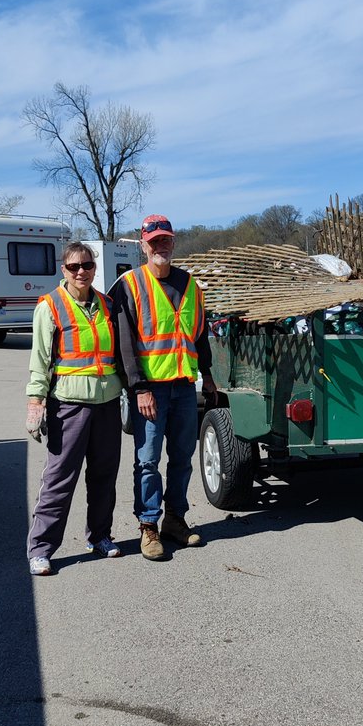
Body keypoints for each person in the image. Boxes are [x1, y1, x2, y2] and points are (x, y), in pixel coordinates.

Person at [112, 214, 217, 561]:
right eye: (154, 241)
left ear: (173, 243)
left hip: (184, 386)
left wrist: (208, 374)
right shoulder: (130, 284)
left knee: (182, 458)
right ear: (143, 245)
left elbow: (199, 334)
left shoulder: (190, 285)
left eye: (166, 240)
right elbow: (125, 344)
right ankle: (148, 526)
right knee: (147, 461)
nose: (161, 246)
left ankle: (175, 519)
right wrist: (139, 387)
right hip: (150, 390)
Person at [25, 242, 122, 576]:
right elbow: (40, 359)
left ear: (94, 267)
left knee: (104, 476)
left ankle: (100, 536)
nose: (81, 272)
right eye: (74, 266)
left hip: (107, 403)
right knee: (59, 478)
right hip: (68, 404)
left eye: (87, 265)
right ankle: (41, 548)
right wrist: (35, 401)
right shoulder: (50, 306)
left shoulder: (108, 305)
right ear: (63, 270)